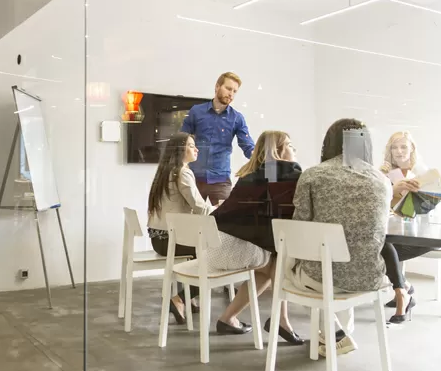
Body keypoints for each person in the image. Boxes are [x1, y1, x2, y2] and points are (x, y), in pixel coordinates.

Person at [286, 118, 392, 356]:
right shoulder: (383, 180)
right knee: (338, 266)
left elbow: (299, 228)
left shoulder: (313, 175)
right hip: (369, 276)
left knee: (294, 269)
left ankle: (336, 335)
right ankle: (333, 338)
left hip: (322, 276)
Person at [211, 130, 304, 344]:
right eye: (289, 145)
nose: (294, 149)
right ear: (277, 150)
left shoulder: (252, 174)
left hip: (213, 247)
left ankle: (228, 318)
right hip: (230, 250)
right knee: (277, 264)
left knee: (268, 268)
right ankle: (281, 320)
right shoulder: (285, 170)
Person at [148, 133, 215, 323]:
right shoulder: (182, 172)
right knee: (213, 257)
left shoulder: (165, 171)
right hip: (170, 241)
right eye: (191, 145)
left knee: (200, 252)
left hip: (159, 239)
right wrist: (220, 209)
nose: (196, 149)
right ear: (180, 150)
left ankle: (189, 297)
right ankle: (179, 299)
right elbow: (200, 208)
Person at [379, 131, 433, 321]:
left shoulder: (422, 174)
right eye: (394, 147)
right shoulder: (386, 172)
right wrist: (381, 180)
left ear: (412, 149)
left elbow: (424, 208)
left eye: (403, 147)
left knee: (379, 249)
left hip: (421, 233)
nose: (399, 151)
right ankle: (404, 288)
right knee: (377, 245)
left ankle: (403, 291)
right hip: (395, 229)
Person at [181, 72, 255, 204]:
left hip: (221, 180)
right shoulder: (196, 112)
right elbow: (182, 140)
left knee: (224, 221)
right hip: (194, 178)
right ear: (217, 87)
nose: (231, 94)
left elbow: (248, 146)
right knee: (189, 220)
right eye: (228, 88)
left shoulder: (237, 118)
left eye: (234, 91)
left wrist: (261, 157)